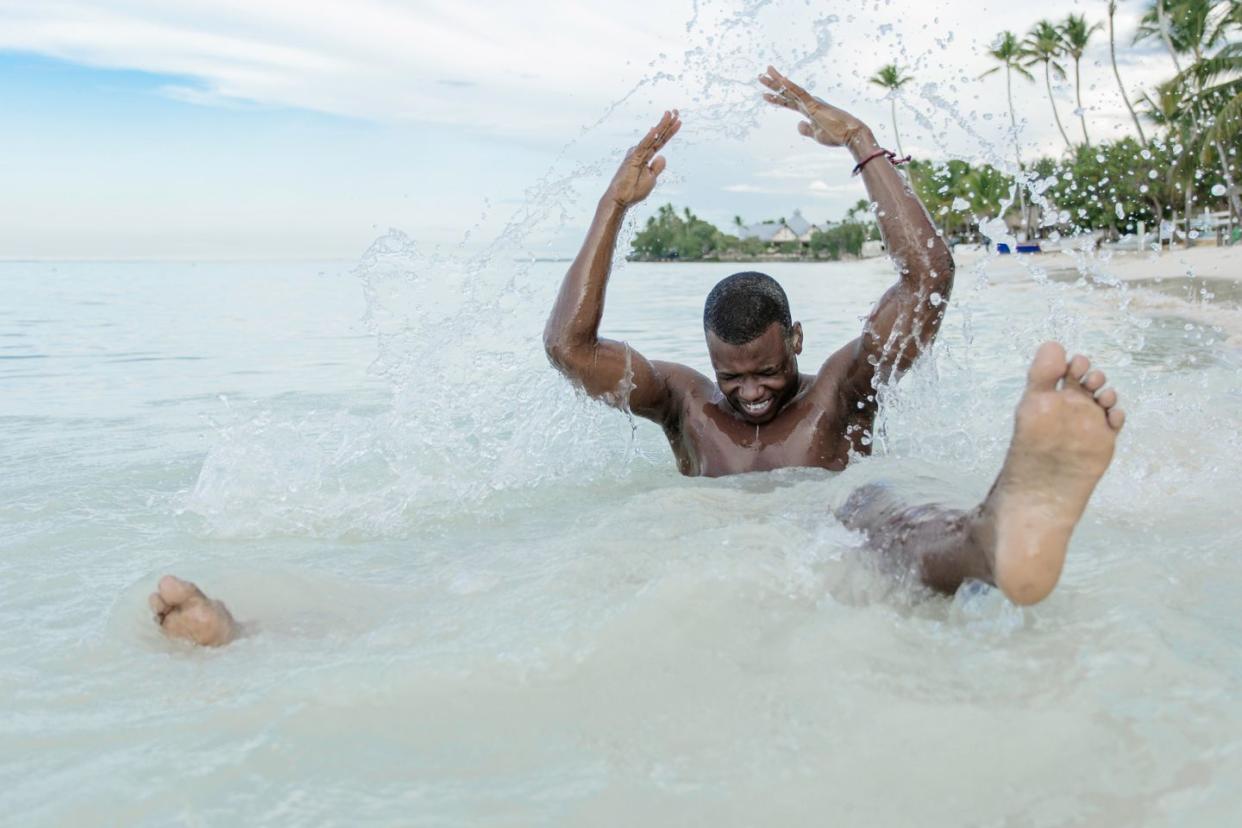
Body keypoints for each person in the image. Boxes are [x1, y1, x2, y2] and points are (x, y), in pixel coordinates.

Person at [150, 67, 1125, 648]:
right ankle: (256, 640)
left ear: (793, 339)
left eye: (763, 369)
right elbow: (566, 347)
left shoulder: (839, 388)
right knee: (501, 588)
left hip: (833, 515)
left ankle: (1005, 530)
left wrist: (864, 141)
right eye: (730, 371)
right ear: (707, 358)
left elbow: (931, 281)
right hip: (706, 557)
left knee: (886, 520)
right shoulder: (681, 405)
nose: (747, 391)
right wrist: (612, 205)